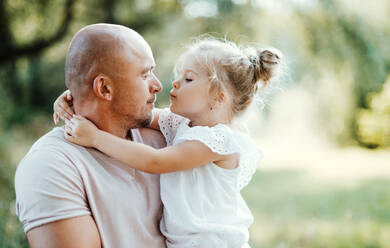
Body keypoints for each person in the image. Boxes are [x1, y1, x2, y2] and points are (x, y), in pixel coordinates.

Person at [55, 37, 282, 247]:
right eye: (180, 75)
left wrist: (96, 138)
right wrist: (79, 97)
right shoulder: (181, 124)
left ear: (219, 97)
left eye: (189, 79)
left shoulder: (217, 141)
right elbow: (129, 110)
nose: (175, 83)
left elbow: (155, 162)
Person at [14, 23, 167, 247]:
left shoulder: (165, 137)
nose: (158, 85)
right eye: (145, 75)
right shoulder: (50, 165)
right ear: (104, 88)